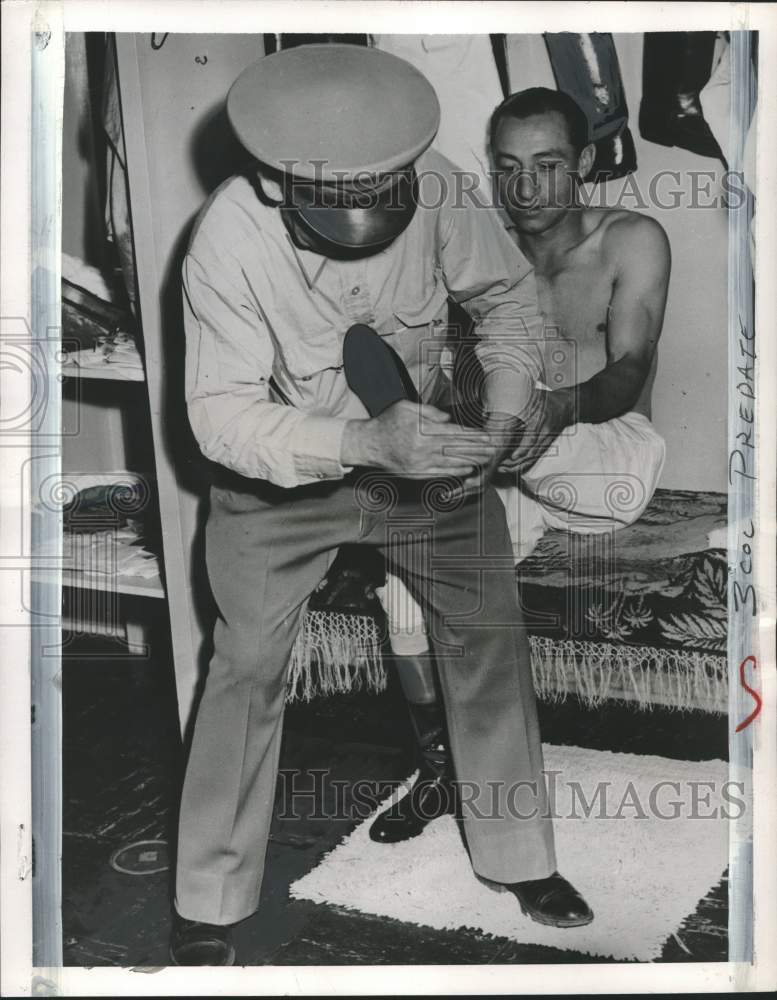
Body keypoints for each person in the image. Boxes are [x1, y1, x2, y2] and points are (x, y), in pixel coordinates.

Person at [170, 47, 592, 967]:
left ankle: (519, 857)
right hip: (279, 477)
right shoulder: (228, 239)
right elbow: (217, 417)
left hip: (427, 458)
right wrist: (362, 444)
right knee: (243, 666)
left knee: (487, 632)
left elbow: (507, 300)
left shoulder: (436, 187)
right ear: (281, 184)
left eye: (384, 189)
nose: (367, 212)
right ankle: (210, 897)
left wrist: (505, 414)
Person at [370, 86, 670, 843]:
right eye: (506, 168)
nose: (524, 187)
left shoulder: (628, 240)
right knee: (404, 583)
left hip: (598, 457)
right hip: (504, 463)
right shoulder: (469, 245)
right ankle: (440, 771)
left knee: (514, 404)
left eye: (546, 165)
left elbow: (630, 368)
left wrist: (553, 410)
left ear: (587, 162)